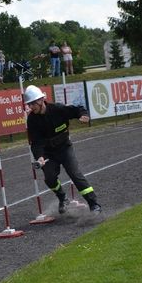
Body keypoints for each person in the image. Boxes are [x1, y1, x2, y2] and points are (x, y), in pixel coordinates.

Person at [24, 85, 102, 214]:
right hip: (49, 153)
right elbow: (36, 143)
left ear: (41, 100)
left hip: (65, 149)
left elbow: (77, 110)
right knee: (49, 178)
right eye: (29, 104)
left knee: (75, 174)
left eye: (32, 103)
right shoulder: (32, 120)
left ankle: (94, 204)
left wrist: (83, 115)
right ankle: (63, 198)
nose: (30, 107)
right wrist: (40, 157)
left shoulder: (58, 109)